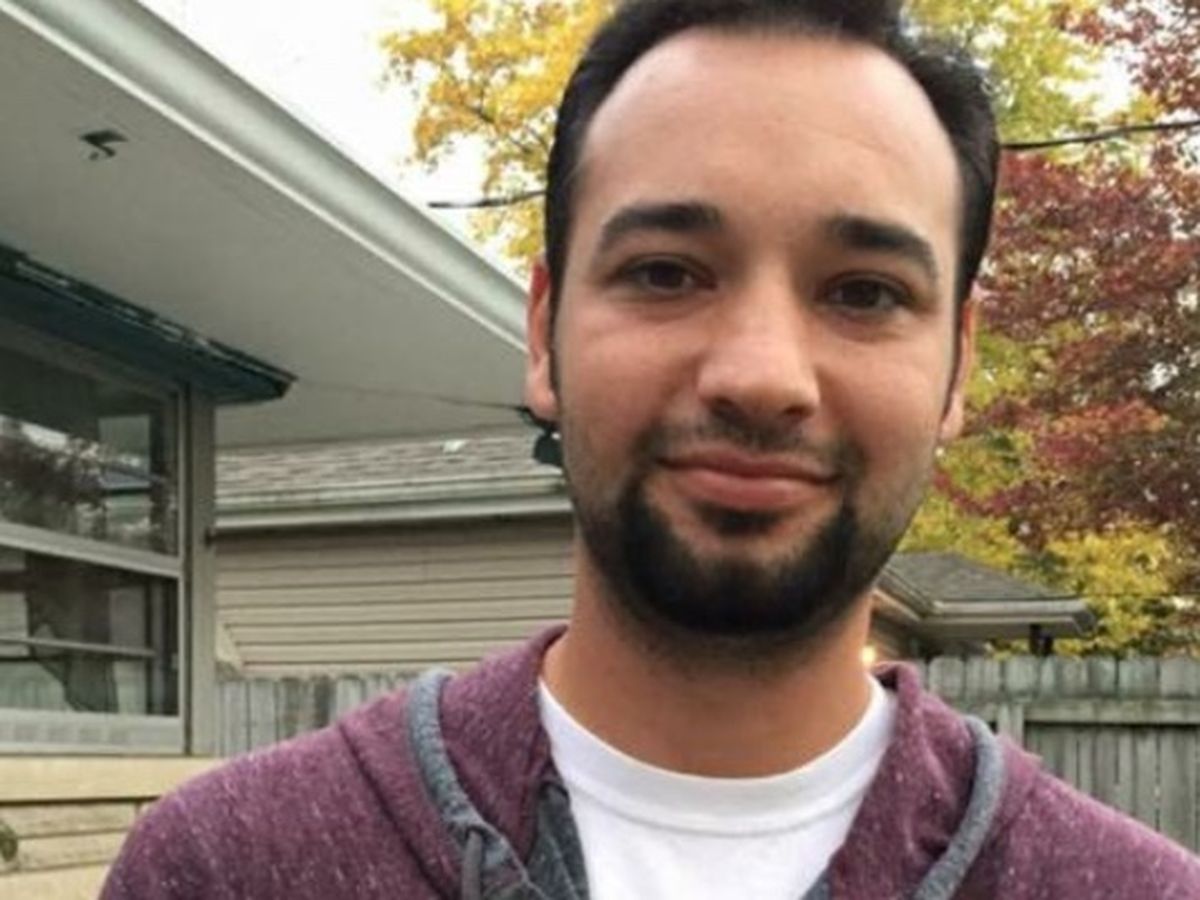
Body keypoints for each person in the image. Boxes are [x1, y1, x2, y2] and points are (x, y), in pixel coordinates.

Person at [103, 0, 1200, 897]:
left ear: (958, 367)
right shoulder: (228, 869)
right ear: (544, 333)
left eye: (864, 293)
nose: (762, 375)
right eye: (666, 272)